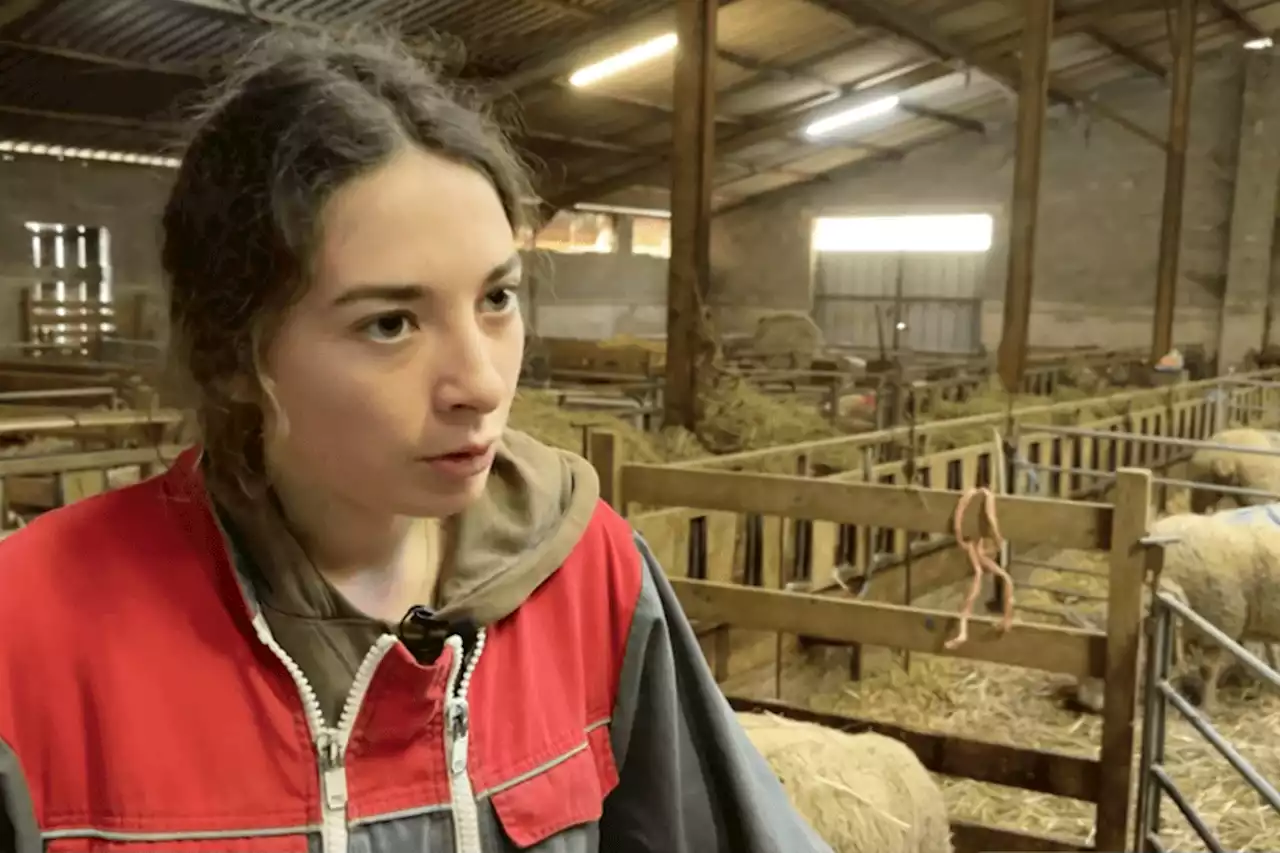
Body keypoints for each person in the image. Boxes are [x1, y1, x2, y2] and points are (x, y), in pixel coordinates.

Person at [0, 29, 832, 853]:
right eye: (390, 322)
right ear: (231, 356)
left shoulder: (590, 577)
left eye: (497, 298)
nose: (480, 382)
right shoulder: (32, 632)